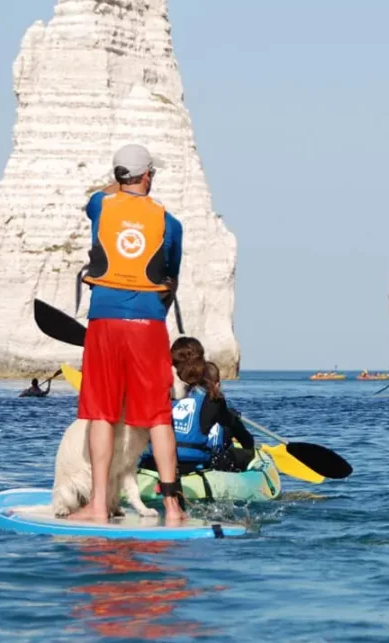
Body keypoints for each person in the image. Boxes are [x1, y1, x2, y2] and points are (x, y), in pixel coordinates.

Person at [71, 144, 186, 523]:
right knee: (157, 416)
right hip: (148, 324)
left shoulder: (101, 206)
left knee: (101, 412)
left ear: (120, 177)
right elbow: (171, 279)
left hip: (104, 321)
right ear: (149, 175)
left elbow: (103, 195)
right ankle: (173, 509)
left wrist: (120, 181)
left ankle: (98, 506)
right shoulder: (170, 223)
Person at [141, 337, 256, 475]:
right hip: (190, 465)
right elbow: (231, 424)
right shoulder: (212, 397)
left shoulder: (155, 392)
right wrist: (249, 444)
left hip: (152, 464)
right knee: (245, 455)